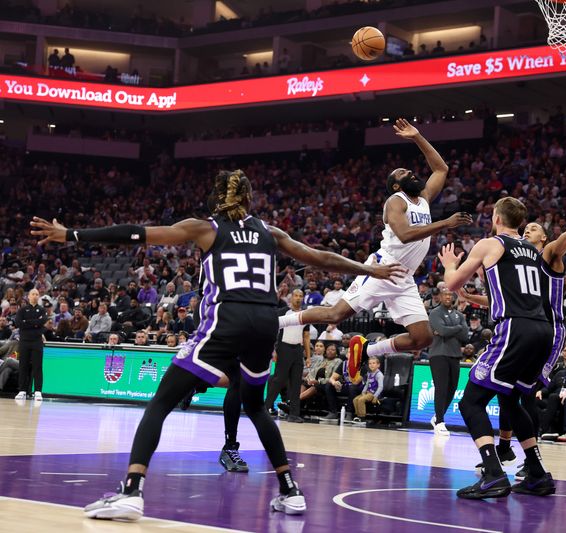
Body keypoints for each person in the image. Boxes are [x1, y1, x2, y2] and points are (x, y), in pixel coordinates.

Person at [31, 169, 402, 521]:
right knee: (256, 407)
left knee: (161, 400)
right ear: (249, 199)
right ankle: (290, 490)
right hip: (264, 323)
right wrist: (369, 269)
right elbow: (320, 258)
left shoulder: (205, 228)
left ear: (217, 198)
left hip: (228, 318)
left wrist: (73, 235)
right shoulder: (269, 231)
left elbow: (137, 234)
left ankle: (131, 491)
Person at [277, 119, 471, 369]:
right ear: (397, 185)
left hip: (405, 277)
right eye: (403, 174)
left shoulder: (422, 198)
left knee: (422, 338)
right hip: (382, 269)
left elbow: (441, 169)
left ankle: (368, 349)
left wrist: (417, 137)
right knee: (335, 314)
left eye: (409, 170)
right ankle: (275, 322)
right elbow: (404, 234)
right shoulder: (396, 200)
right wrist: (445, 223)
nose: (411, 173)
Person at [439, 194, 563, 500]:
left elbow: (452, 284)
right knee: (511, 401)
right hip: (542, 330)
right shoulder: (533, 251)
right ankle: (536, 473)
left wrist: (450, 265)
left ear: (496, 218)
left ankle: (493, 473)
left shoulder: (489, 244)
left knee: (471, 402)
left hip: (515, 328)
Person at [427, 287, 469, 435]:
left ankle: (437, 417)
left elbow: (465, 336)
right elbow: (443, 331)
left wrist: (450, 329)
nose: (447, 297)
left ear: (453, 298)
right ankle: (440, 422)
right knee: (441, 388)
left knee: (452, 388)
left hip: (455, 354)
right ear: (440, 296)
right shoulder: (435, 313)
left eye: (450, 295)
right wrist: (456, 328)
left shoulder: (459, 315)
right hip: (439, 354)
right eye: (445, 294)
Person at [266, 289, 309, 423]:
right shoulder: (283, 312)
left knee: (296, 382)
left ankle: (294, 414)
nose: (298, 298)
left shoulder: (306, 315)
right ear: (291, 298)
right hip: (283, 347)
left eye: (300, 296)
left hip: (297, 349)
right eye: (296, 295)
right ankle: (265, 408)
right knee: (278, 380)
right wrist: (273, 350)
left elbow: (306, 336)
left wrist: (308, 356)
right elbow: (272, 330)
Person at [14, 288, 47, 401]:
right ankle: (22, 391)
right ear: (28, 296)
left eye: (37, 294)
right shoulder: (22, 310)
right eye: (33, 294)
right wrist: (34, 323)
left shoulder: (42, 310)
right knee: (23, 366)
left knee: (37, 367)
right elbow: (18, 323)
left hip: (37, 342)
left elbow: (42, 322)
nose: (35, 296)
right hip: (24, 341)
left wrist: (26, 322)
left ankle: (38, 391)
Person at [352, 356, 384, 423]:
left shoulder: (379, 375)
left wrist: (375, 396)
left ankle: (362, 418)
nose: (371, 365)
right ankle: (358, 416)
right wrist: (363, 392)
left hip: (373, 393)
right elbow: (367, 384)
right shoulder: (369, 373)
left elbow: (381, 387)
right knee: (355, 399)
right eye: (370, 363)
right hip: (367, 392)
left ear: (378, 365)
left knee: (361, 400)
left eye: (373, 363)